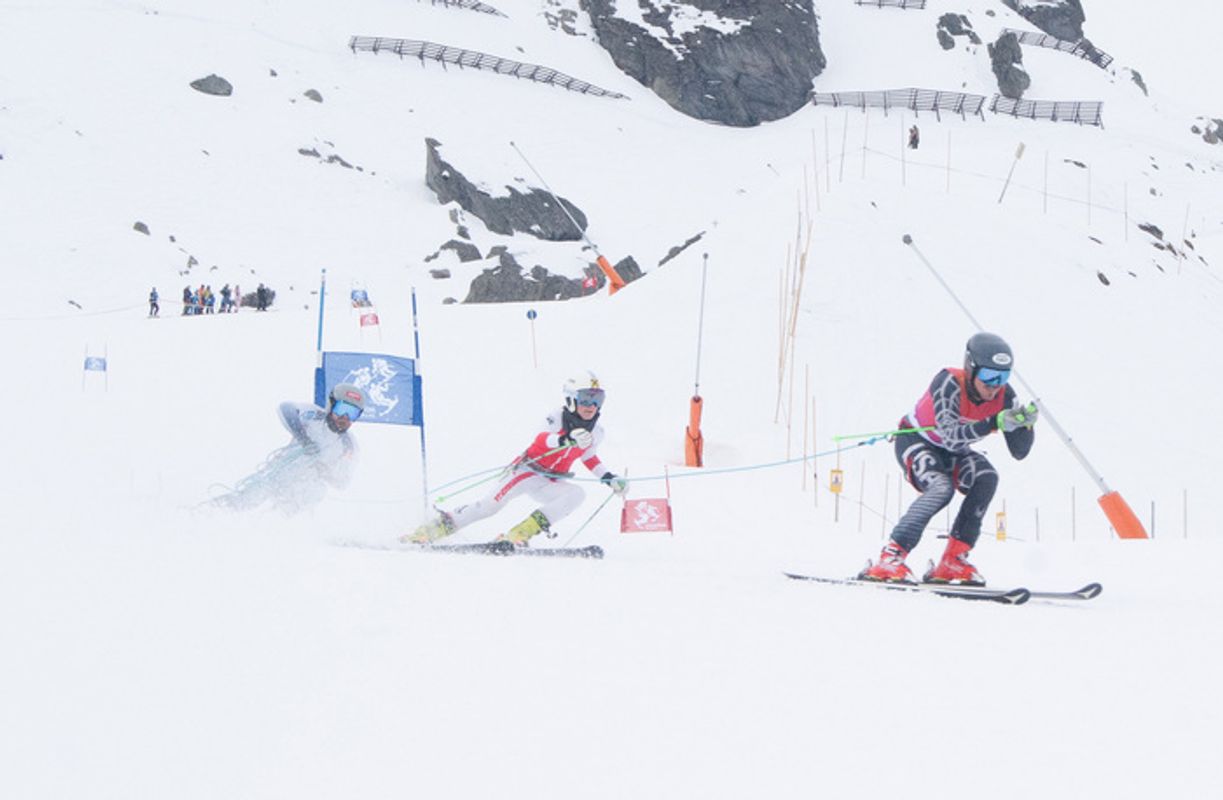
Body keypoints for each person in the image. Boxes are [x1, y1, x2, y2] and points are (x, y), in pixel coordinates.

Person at [860, 333, 1038, 585]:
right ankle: (891, 557)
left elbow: (1020, 452)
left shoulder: (1004, 396)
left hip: (954, 451)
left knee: (986, 478)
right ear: (971, 369)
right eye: (989, 377)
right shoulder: (949, 383)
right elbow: (951, 436)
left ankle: (953, 560)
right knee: (941, 487)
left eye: (1003, 377)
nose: (994, 386)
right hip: (918, 442)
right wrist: (993, 423)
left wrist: (1025, 426)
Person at [404, 371, 628, 547]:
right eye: (586, 398)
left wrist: (609, 478)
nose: (592, 406)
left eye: (597, 399)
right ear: (571, 399)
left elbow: (589, 457)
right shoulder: (556, 417)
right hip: (526, 472)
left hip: (551, 481)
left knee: (577, 494)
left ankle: (519, 534)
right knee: (489, 507)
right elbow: (541, 440)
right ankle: (429, 531)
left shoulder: (597, 431)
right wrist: (565, 438)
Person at [212, 383, 366, 513]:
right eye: (341, 409)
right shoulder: (314, 416)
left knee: (314, 493)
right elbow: (286, 408)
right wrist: (304, 439)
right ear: (331, 405)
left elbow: (343, 483)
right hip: (282, 471)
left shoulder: (349, 445)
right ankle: (217, 512)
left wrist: (324, 470)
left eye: (352, 413)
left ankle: (283, 529)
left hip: (306, 485)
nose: (344, 418)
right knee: (253, 495)